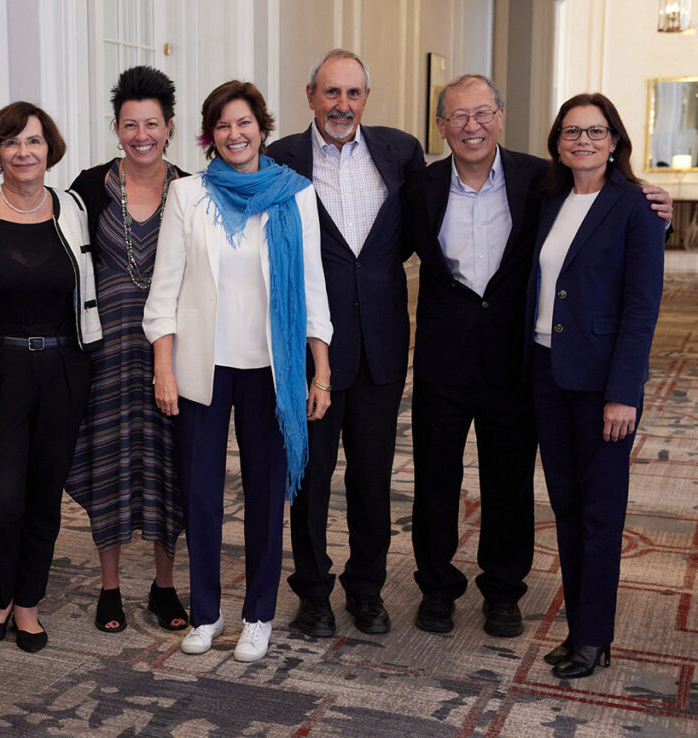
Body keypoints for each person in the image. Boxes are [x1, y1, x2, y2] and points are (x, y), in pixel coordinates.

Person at [402, 75, 673, 639]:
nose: (471, 126)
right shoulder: (420, 186)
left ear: (501, 116)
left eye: (482, 114)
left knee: (509, 480)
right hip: (442, 358)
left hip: (516, 359)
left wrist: (657, 209)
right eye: (458, 116)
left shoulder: (537, 180)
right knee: (433, 478)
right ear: (441, 126)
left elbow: (603, 215)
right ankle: (436, 587)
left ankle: (503, 589)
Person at [143, 81, 333, 663]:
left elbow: (313, 287)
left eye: (244, 122)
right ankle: (206, 613)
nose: (235, 134)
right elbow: (165, 290)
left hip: (271, 369)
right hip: (203, 364)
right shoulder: (188, 195)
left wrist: (319, 372)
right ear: (210, 135)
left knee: (264, 493)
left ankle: (258, 614)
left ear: (262, 128)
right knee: (199, 491)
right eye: (223, 126)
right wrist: (163, 367)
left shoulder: (295, 195)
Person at [267, 49, 424, 637]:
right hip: (310, 351)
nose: (342, 105)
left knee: (372, 477)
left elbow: (414, 230)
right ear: (310, 96)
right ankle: (311, 593)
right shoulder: (280, 159)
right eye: (331, 93)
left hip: (382, 342)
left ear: (366, 99)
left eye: (353, 94)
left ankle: (366, 589)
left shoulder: (401, 151)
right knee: (307, 477)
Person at [0, 102, 102, 654]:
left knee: (43, 492)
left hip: (65, 366)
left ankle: (29, 604)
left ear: (49, 148)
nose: (24, 152)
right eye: (12, 142)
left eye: (34, 141)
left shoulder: (73, 208)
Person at [528, 94, 664, 679]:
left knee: (600, 514)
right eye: (571, 131)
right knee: (566, 507)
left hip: (602, 384)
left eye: (596, 131)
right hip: (548, 374)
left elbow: (641, 311)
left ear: (615, 141)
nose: (583, 140)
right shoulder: (551, 201)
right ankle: (579, 630)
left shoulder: (635, 208)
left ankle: (594, 638)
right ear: (559, 141)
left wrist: (624, 393)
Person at [66, 66, 189, 634]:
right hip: (107, 355)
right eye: (130, 124)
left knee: (172, 467)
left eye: (153, 124)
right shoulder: (89, 187)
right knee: (109, 462)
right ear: (117, 128)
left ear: (170, 127)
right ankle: (109, 587)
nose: (142, 135)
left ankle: (165, 587)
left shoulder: (192, 190)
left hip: (175, 354)